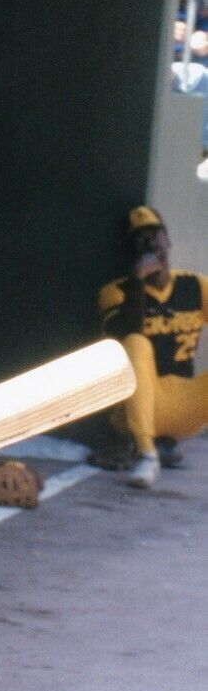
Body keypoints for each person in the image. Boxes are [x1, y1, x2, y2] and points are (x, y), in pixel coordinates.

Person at [97, 205, 208, 488]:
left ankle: (161, 443)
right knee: (136, 343)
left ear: (167, 241)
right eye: (140, 238)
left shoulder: (195, 285)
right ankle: (147, 452)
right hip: (134, 409)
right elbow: (130, 330)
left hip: (183, 405)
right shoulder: (115, 292)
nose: (148, 243)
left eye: (154, 234)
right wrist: (138, 281)